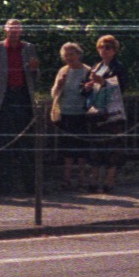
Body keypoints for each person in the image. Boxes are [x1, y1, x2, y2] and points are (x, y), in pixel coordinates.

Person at [0, 19, 40, 195]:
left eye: (17, 29)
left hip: (22, 97)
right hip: (4, 98)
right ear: (5, 31)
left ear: (21, 31)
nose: (14, 32)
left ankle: (30, 187)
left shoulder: (29, 48)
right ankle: (4, 187)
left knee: (26, 144)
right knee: (4, 142)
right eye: (11, 29)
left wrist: (34, 70)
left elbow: (36, 79)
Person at [83, 34, 129, 193]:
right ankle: (94, 179)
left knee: (113, 146)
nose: (104, 50)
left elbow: (122, 87)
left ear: (114, 50)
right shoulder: (96, 66)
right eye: (101, 47)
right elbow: (85, 88)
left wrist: (103, 83)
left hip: (112, 113)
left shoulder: (119, 67)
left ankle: (109, 179)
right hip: (97, 111)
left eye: (108, 47)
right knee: (96, 145)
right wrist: (88, 86)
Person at [50, 42, 93, 190]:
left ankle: (81, 180)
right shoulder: (63, 71)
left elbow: (94, 92)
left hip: (82, 114)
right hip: (66, 113)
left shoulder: (87, 70)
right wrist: (59, 85)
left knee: (81, 149)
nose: (69, 57)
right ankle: (67, 179)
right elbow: (54, 93)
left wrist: (89, 88)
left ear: (79, 54)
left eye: (72, 54)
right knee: (67, 149)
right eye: (66, 55)